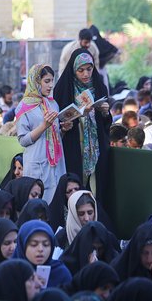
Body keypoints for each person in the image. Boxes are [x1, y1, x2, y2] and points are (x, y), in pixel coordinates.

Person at [54, 49, 111, 197]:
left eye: (89, 69)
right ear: (73, 70)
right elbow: (57, 120)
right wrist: (77, 115)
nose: (86, 74)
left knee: (96, 187)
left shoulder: (99, 87)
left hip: (96, 147)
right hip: (72, 145)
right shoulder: (63, 89)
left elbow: (105, 125)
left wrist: (105, 113)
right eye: (81, 70)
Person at [16, 64, 69, 203]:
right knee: (39, 202)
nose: (51, 85)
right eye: (46, 81)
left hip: (56, 162)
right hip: (37, 161)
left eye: (52, 81)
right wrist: (43, 126)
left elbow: (55, 136)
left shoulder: (53, 104)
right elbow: (23, 140)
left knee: (57, 200)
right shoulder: (23, 107)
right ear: (35, 81)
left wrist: (63, 129)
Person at [12, 220, 72, 288]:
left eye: (46, 244)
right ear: (22, 246)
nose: (40, 249)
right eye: (34, 244)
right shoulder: (10, 273)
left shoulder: (61, 273)